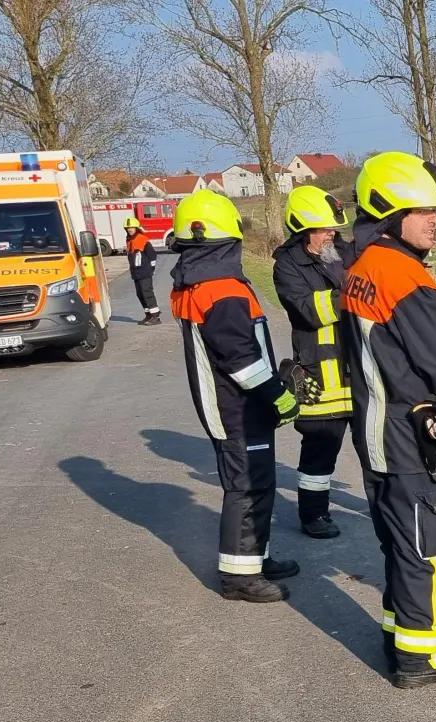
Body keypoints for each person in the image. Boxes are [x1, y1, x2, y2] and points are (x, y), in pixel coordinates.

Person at [341, 151, 436, 689]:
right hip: (412, 441)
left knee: (401, 545)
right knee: (431, 550)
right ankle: (423, 659)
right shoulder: (403, 274)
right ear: (389, 212)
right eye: (424, 210)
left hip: (378, 436)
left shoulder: (360, 268)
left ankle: (398, 635)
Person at [168, 189, 302, 603]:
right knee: (246, 488)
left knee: (258, 484)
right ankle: (240, 579)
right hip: (237, 410)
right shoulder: (220, 288)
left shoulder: (196, 283)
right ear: (227, 240)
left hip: (235, 406)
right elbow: (241, 359)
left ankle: (254, 558)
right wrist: (277, 395)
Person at [273, 186, 353, 538]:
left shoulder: (344, 252)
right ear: (303, 228)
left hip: (359, 368)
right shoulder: (287, 266)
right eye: (323, 229)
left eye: (332, 227)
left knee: (376, 447)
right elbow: (308, 310)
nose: (331, 234)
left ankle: (385, 508)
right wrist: (355, 293)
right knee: (319, 450)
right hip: (321, 373)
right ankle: (313, 515)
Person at [124, 216, 161, 325]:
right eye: (127, 228)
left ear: (136, 228)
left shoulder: (142, 238)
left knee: (147, 293)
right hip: (136, 272)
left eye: (131, 227)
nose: (129, 229)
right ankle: (148, 315)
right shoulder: (129, 240)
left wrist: (152, 268)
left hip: (145, 271)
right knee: (140, 294)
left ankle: (156, 316)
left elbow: (152, 254)